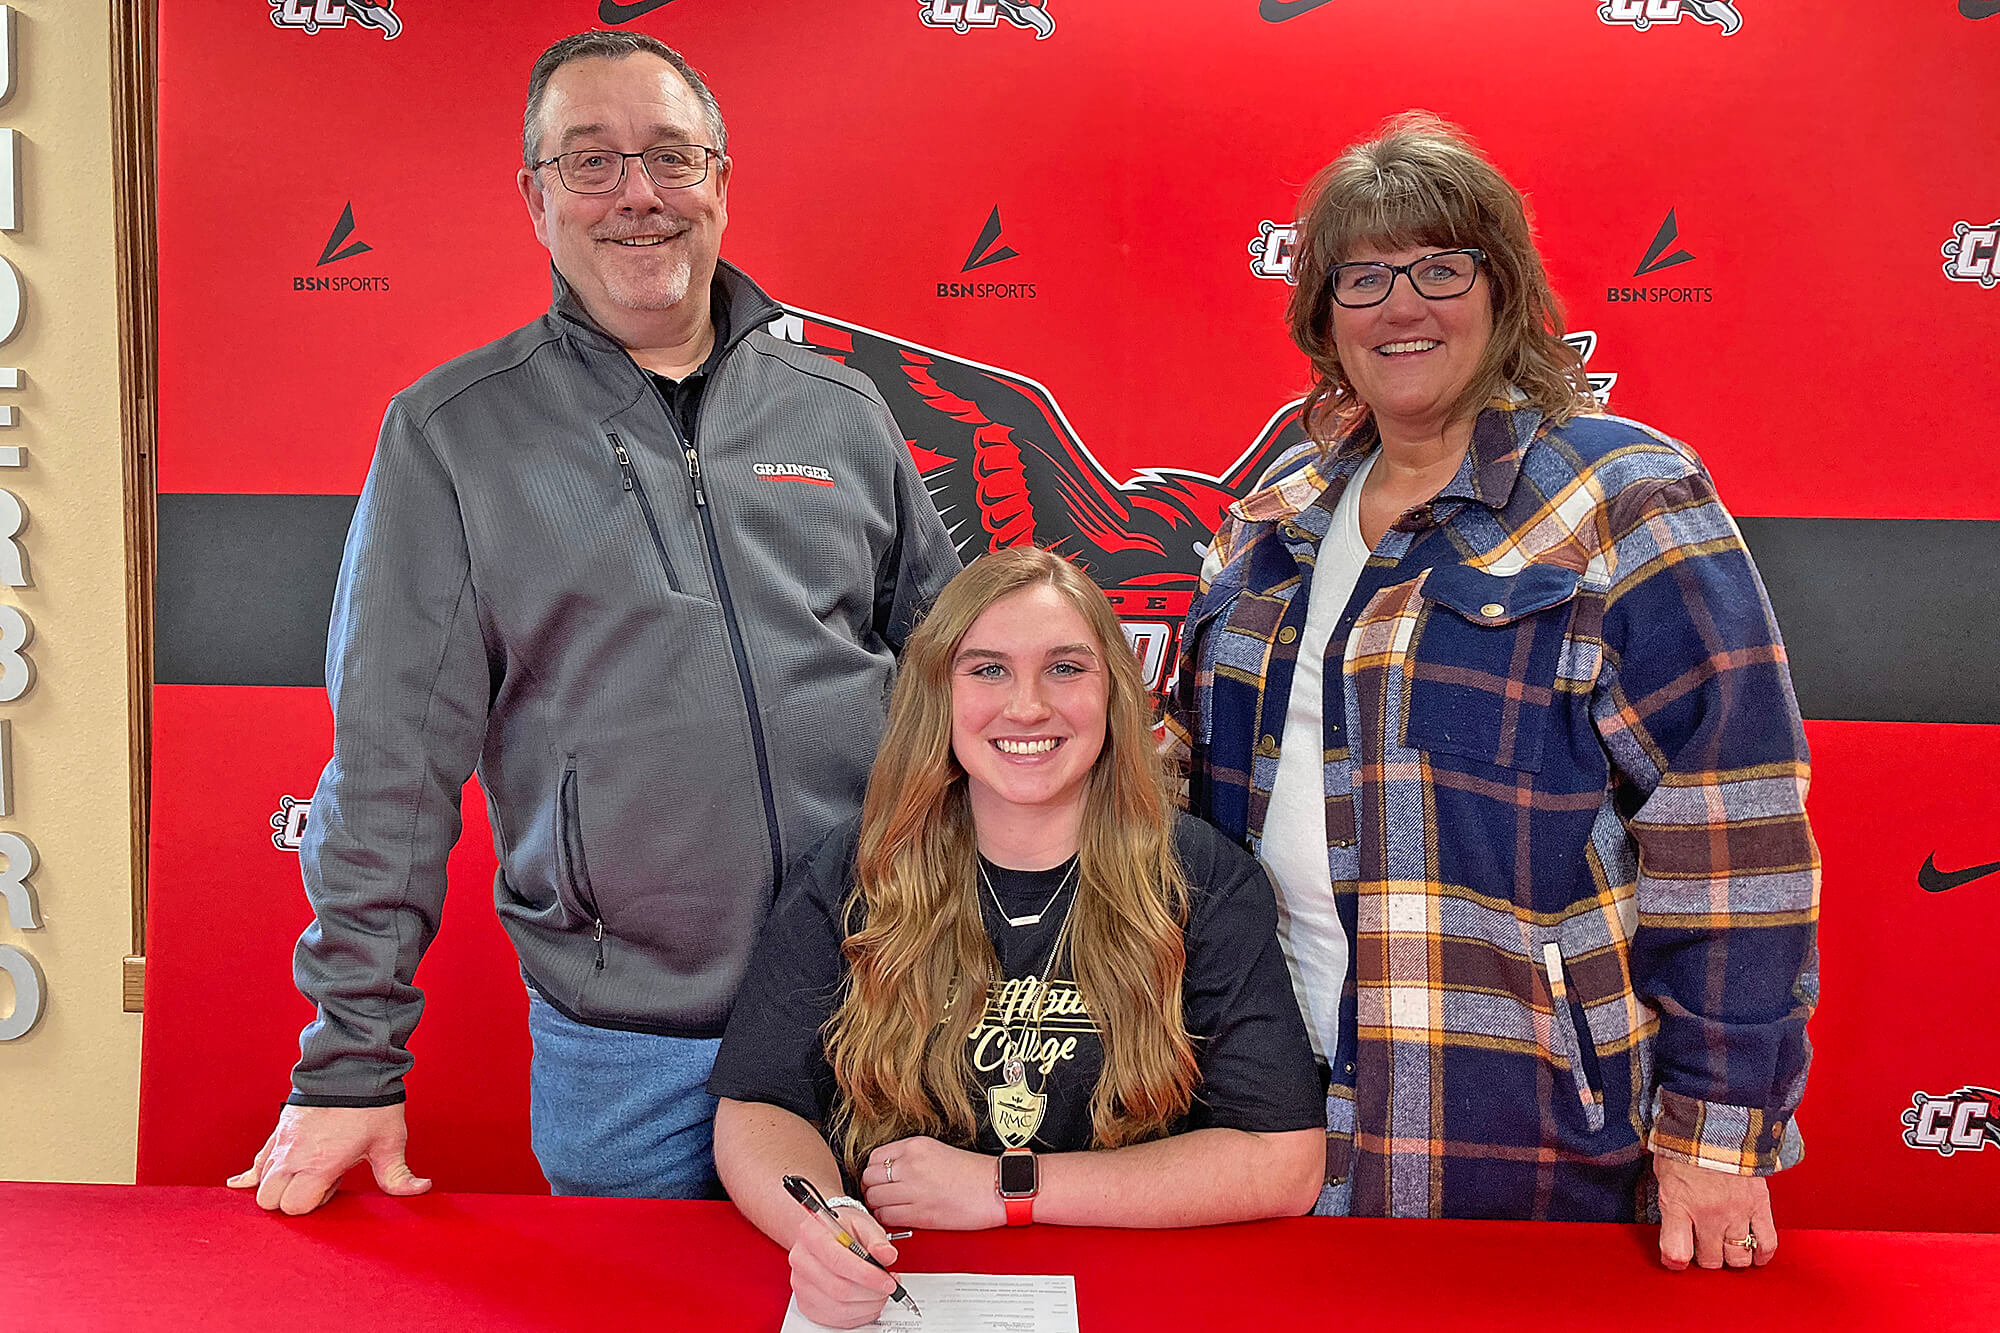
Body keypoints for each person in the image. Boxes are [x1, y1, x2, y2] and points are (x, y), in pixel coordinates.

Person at [228, 31, 958, 1214]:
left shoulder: (841, 412)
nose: (638, 196)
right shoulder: (453, 437)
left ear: (719, 179)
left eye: (670, 157)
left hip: (879, 1017)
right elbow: (391, 770)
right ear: (535, 199)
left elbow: (957, 689)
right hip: (633, 1050)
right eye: (590, 162)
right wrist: (350, 1059)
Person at [1165, 113, 1819, 1270]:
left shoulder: (1622, 497)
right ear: (1320, 316)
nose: (1398, 306)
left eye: (1438, 267)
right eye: (1361, 277)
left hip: (1513, 1135)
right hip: (1253, 1106)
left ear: (1502, 289)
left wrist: (1718, 1134)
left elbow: (1731, 833)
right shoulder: (1272, 516)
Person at [709, 547, 1323, 1329]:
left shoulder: (1201, 880)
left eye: (1065, 668)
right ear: (939, 693)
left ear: (1114, 692)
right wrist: (824, 1224)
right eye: (988, 669)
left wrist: (1007, 1187)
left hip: (1132, 1290)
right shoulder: (857, 870)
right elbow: (756, 1104)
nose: (1027, 706)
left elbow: (1283, 1160)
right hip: (903, 1291)